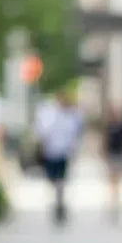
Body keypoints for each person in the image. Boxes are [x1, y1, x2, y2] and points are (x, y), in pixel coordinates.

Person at [35, 90, 84, 224]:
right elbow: (43, 132)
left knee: (61, 180)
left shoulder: (71, 116)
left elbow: (75, 134)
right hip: (51, 153)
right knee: (52, 179)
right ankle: (57, 201)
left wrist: (73, 150)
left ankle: (60, 203)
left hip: (63, 153)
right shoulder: (49, 115)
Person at [102, 102, 122, 221]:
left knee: (119, 180)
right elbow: (105, 141)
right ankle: (114, 202)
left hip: (120, 155)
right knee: (113, 181)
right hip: (112, 156)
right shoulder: (108, 126)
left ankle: (118, 201)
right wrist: (104, 154)